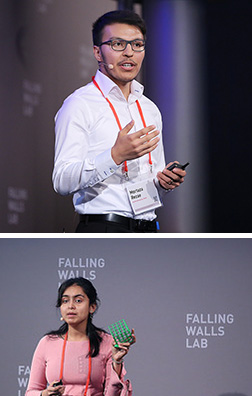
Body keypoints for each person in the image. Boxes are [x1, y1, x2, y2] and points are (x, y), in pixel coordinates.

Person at [52, 10, 187, 233]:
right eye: (117, 44)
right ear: (97, 52)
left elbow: (150, 182)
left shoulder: (149, 108)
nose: (128, 53)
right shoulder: (79, 104)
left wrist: (163, 181)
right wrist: (115, 156)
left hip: (148, 229)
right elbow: (62, 181)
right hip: (104, 228)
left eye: (137, 44)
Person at [25, 277, 136, 396]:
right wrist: (44, 395)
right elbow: (31, 392)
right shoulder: (47, 343)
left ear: (92, 307)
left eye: (78, 300)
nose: (71, 306)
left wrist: (117, 360)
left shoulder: (107, 342)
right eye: (65, 300)